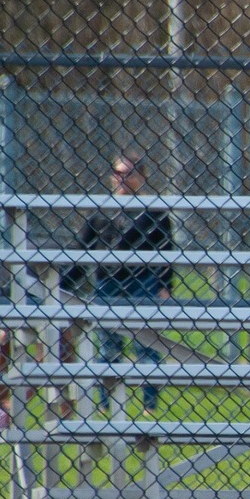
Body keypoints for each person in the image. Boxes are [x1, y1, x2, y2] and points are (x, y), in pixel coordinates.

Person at [85, 154, 173, 413]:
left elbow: (166, 250)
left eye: (130, 173)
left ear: (142, 177)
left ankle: (150, 404)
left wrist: (164, 285)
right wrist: (65, 285)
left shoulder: (154, 212)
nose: (123, 178)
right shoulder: (101, 210)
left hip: (142, 282)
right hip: (108, 284)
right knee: (108, 347)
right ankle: (105, 403)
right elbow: (82, 247)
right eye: (119, 173)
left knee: (146, 344)